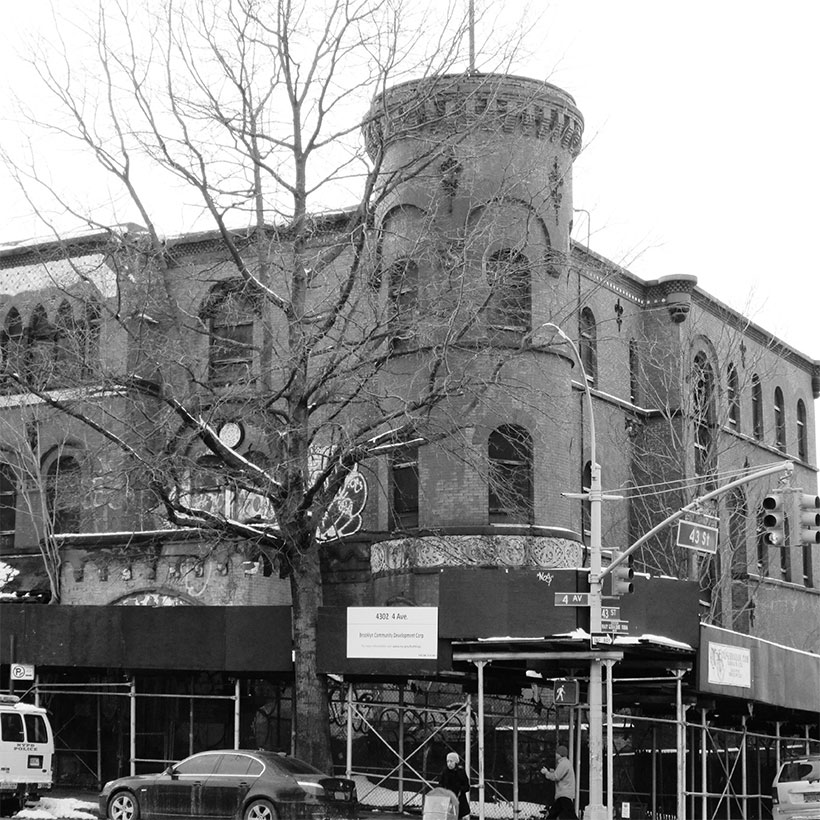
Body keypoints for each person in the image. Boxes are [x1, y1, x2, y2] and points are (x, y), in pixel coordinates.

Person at [540, 745, 576, 819]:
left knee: (570, 815)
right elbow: (559, 774)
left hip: (564, 794)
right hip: (564, 794)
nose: (555, 754)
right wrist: (552, 771)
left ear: (560, 754)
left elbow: (556, 776)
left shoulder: (563, 764)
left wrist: (546, 773)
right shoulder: (565, 763)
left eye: (557, 753)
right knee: (554, 813)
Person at [439, 751, 471, 819]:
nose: (449, 763)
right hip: (448, 800)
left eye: (451, 761)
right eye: (448, 761)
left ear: (456, 762)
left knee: (458, 816)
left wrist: (460, 790)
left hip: (459, 801)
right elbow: (441, 784)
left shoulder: (461, 772)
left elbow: (467, 786)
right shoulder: (445, 772)